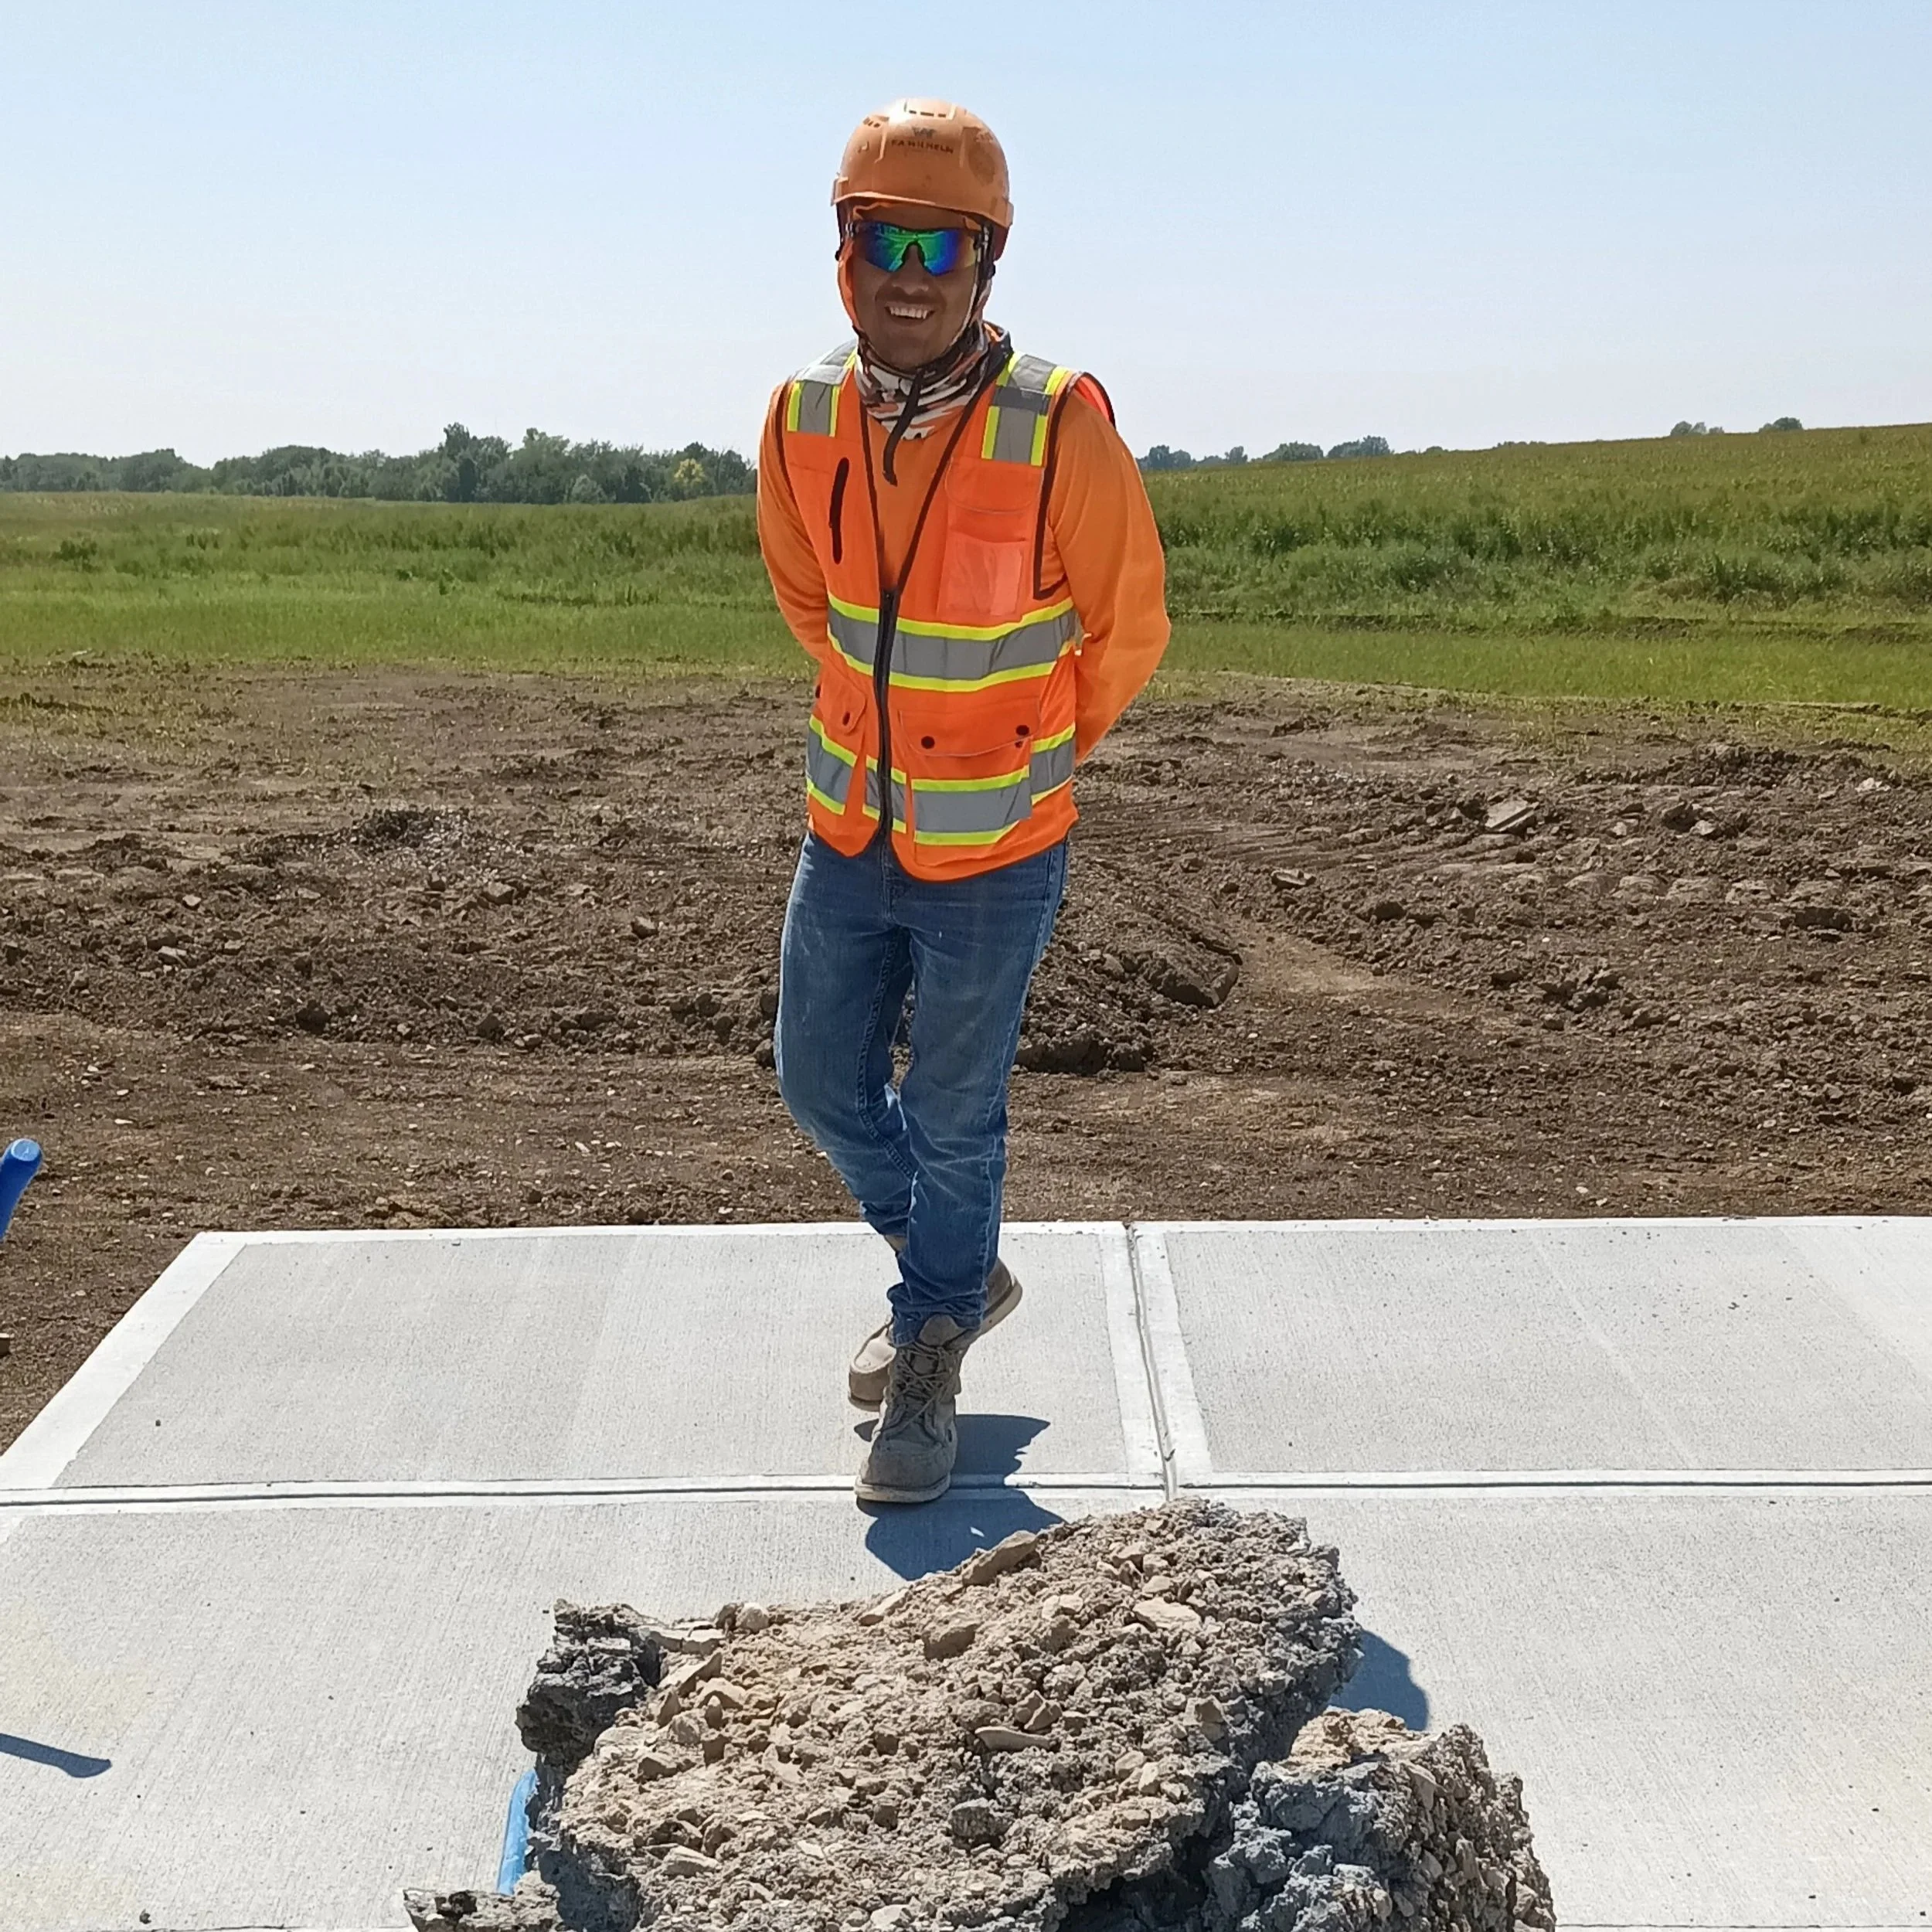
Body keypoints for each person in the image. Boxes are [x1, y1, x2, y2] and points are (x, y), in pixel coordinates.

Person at [758, 97, 1170, 1505]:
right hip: (850, 825)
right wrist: (884, 731)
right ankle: (956, 1269)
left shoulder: (1059, 420)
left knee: (953, 1107)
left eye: (945, 242)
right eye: (885, 239)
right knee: (817, 1080)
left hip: (998, 843)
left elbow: (1127, 629)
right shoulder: (803, 414)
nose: (912, 270)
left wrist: (1030, 745)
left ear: (988, 262)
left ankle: (930, 1345)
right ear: (845, 255)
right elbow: (810, 602)